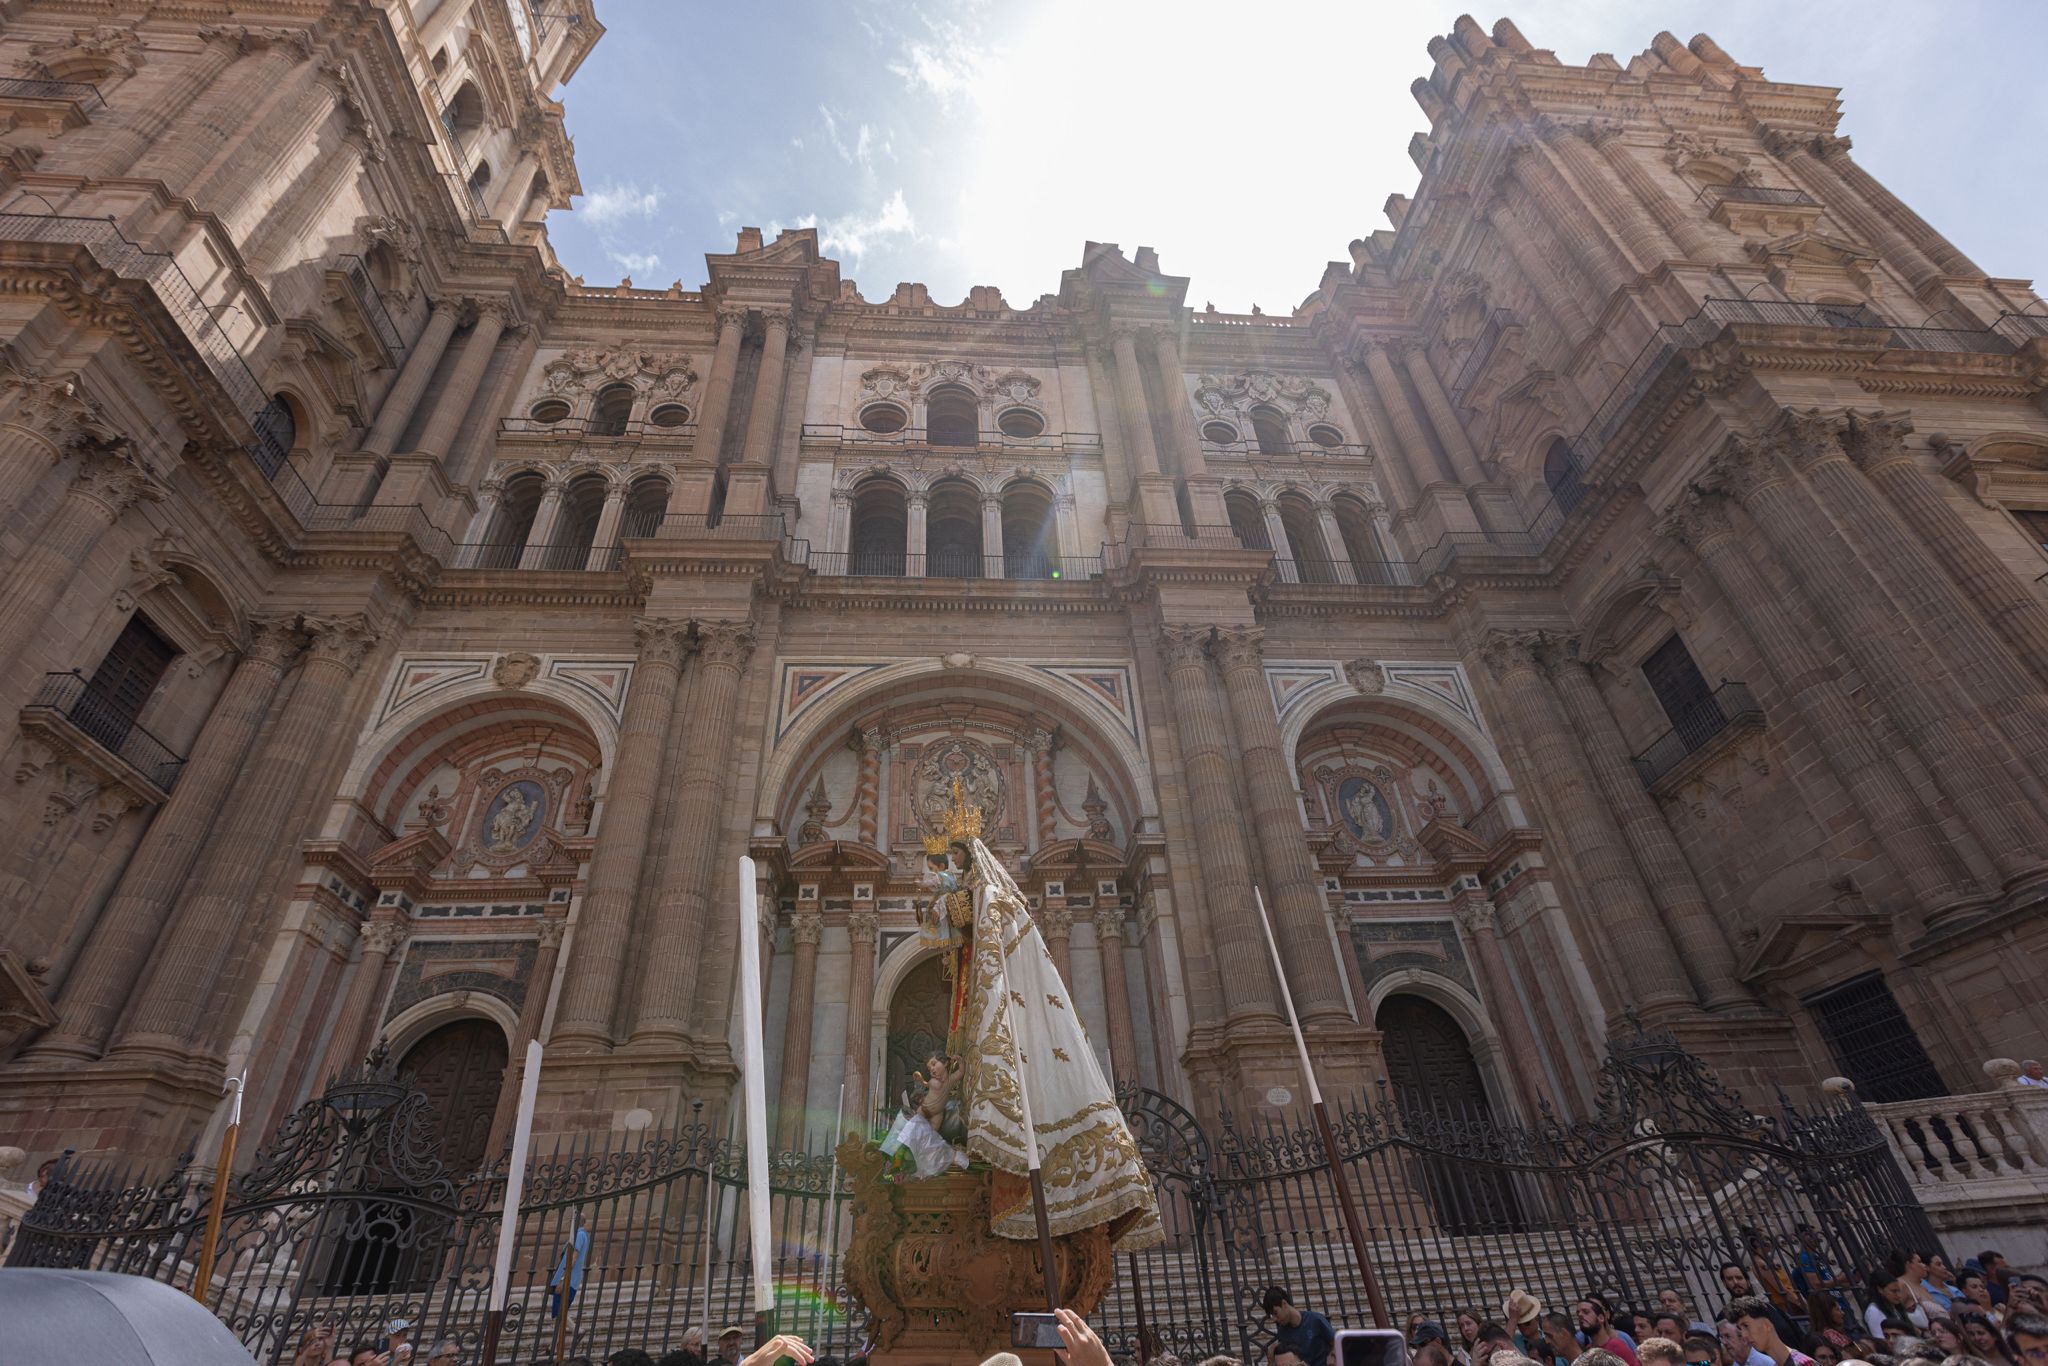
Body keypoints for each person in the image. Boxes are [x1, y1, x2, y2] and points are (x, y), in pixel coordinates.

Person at [1724, 1265, 1811, 1352]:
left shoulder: (1769, 1307)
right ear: (1724, 1283)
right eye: (1730, 1279)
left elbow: (1796, 1332)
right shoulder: (1728, 1317)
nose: (1735, 1282)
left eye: (1739, 1278)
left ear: (1747, 1281)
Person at [1263, 1286, 1335, 1366]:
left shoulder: (1315, 1320)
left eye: (1275, 1313)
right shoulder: (1283, 1332)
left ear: (1284, 1304)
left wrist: (1332, 1356)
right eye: (1271, 1315)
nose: (1274, 1319)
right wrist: (1271, 1359)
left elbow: (1337, 1344)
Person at [1734, 1297, 1815, 1366]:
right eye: (1740, 1329)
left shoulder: (1803, 1363)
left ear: (1766, 1325)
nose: (1744, 1335)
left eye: (1746, 1326)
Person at [1578, 1295, 1641, 1366]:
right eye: (1578, 1313)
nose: (1580, 1315)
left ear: (1601, 1318)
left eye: (1586, 1312)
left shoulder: (1617, 1346)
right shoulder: (1587, 1351)